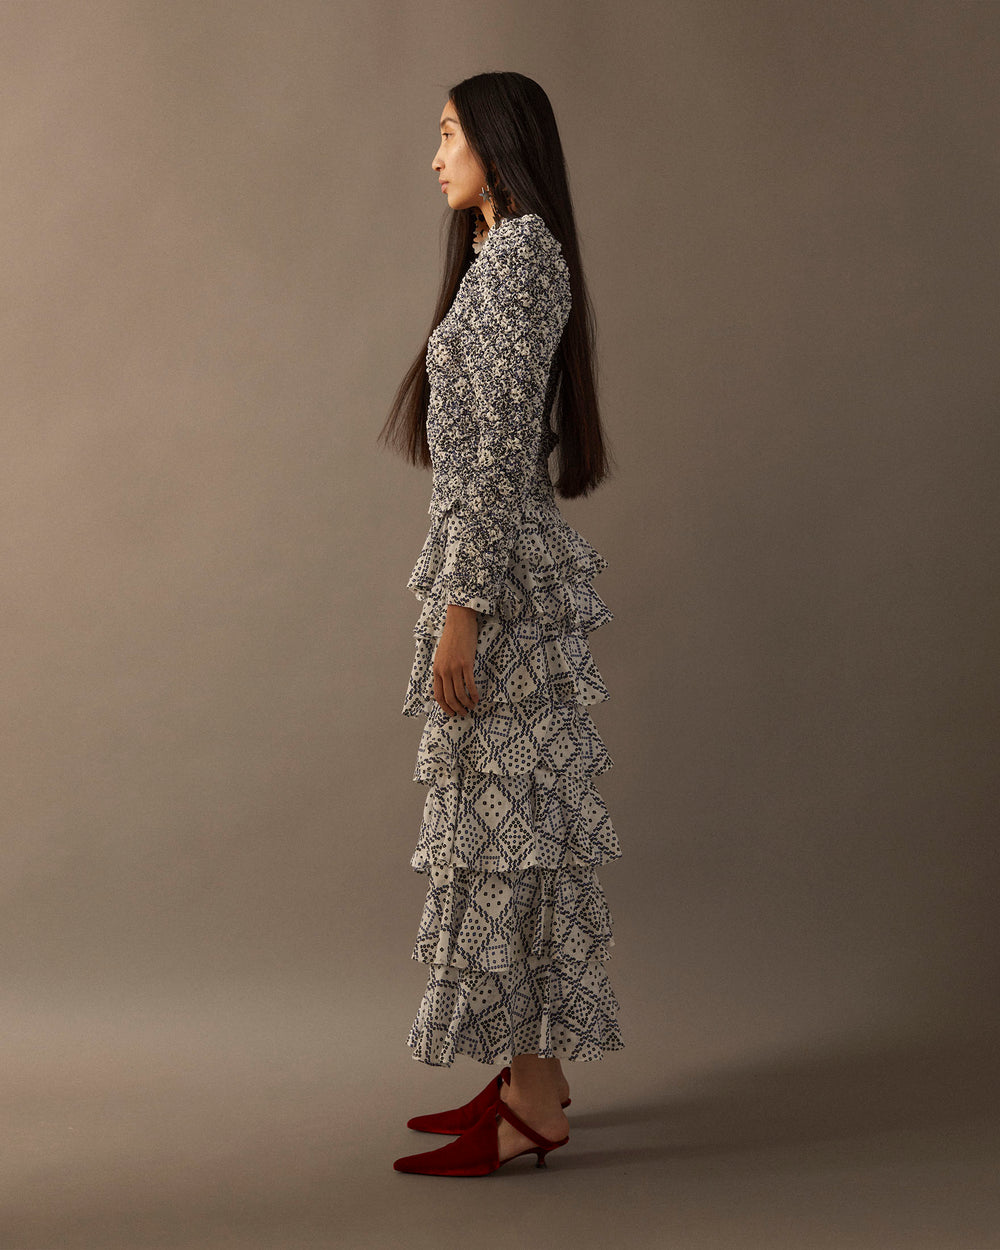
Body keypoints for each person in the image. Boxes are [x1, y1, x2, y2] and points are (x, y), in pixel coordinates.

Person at [378, 71, 623, 1177]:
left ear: (498, 143)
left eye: (447, 136)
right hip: (505, 574)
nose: (435, 157)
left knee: (505, 839)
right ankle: (541, 1070)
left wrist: (460, 616)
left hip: (503, 591)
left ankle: (534, 1099)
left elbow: (489, 458)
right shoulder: (500, 258)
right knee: (512, 830)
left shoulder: (520, 261)